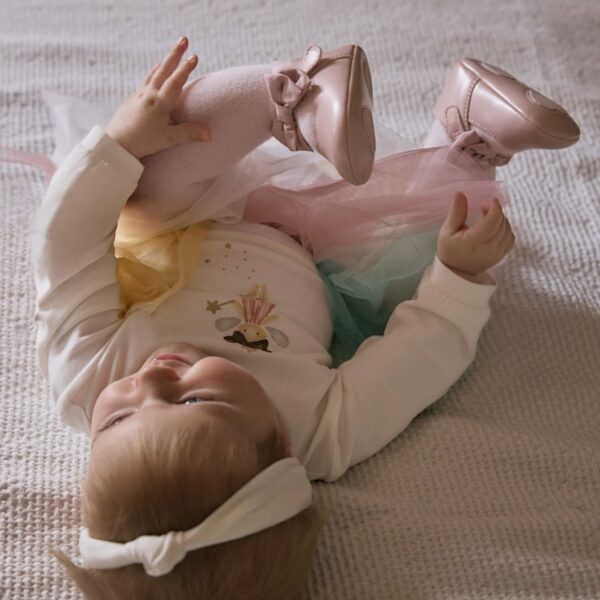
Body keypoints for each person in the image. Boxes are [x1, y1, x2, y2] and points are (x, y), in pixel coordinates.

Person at [25, 37, 578, 599]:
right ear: (281, 450)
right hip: (321, 254)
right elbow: (417, 360)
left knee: (149, 177)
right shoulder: (317, 433)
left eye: (117, 419)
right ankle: (467, 136)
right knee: (411, 264)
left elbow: (65, 248)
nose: (154, 380)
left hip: (185, 214)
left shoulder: (86, 375)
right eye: (193, 401)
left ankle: (288, 96)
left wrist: (118, 145)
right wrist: (459, 278)